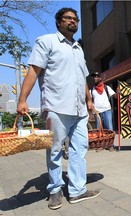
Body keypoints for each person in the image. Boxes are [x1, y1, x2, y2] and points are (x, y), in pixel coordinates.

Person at [17, 7, 100, 210]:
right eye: (68, 18)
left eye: (76, 19)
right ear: (58, 22)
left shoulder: (78, 49)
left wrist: (89, 100)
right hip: (56, 106)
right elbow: (34, 70)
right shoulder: (46, 41)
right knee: (54, 150)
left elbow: (83, 78)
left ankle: (77, 190)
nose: (73, 21)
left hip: (79, 109)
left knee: (79, 149)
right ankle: (55, 189)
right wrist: (22, 99)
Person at [90, 72, 117, 151]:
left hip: (107, 110)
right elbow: (90, 101)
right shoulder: (91, 90)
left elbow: (114, 96)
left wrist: (118, 93)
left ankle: (110, 145)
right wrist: (91, 112)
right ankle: (101, 145)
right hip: (97, 112)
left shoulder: (106, 88)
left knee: (110, 128)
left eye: (96, 76)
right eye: (93, 77)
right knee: (99, 130)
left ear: (100, 78)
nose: (95, 78)